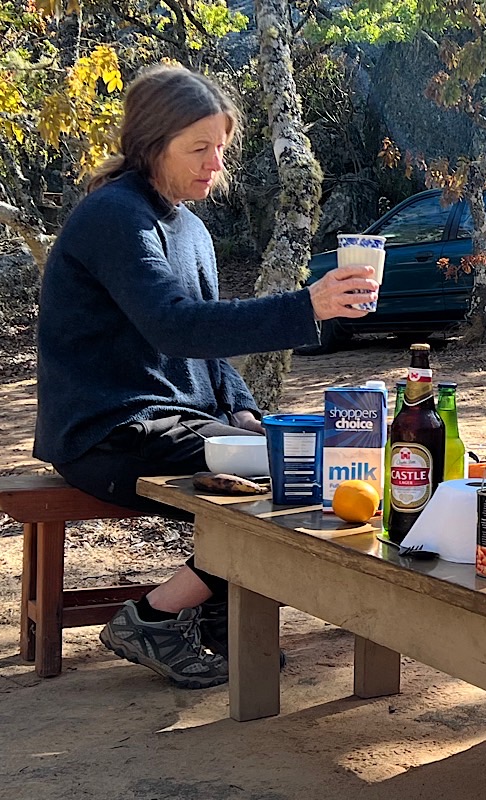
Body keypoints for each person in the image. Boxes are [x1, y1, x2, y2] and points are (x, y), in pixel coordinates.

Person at [33, 65, 378, 690]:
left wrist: (243, 408)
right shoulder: (114, 216)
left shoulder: (189, 226)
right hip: (106, 431)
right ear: (149, 144)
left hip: (179, 422)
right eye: (198, 149)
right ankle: (154, 615)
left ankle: (217, 612)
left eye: (220, 148)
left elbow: (208, 349)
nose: (214, 165)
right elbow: (175, 327)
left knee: (306, 458)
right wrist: (309, 306)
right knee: (295, 475)